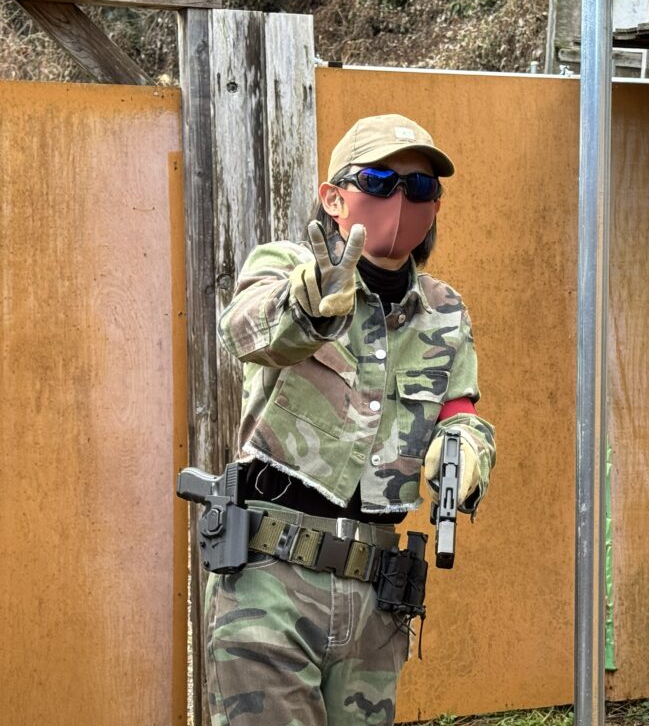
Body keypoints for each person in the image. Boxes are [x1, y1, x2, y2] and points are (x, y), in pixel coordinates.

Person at [205, 114, 496, 725]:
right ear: (334, 198)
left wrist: (467, 447)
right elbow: (244, 331)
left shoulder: (444, 311)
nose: (401, 200)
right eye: (381, 181)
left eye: (420, 188)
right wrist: (308, 304)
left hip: (376, 600)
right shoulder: (288, 266)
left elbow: (460, 413)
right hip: (270, 581)